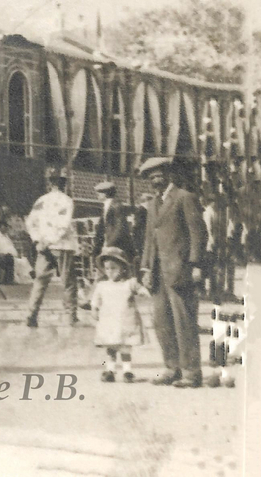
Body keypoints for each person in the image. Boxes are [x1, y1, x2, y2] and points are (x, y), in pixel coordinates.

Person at [139, 156, 206, 388]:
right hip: (158, 274)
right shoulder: (153, 204)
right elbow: (150, 238)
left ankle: (191, 372)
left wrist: (196, 265)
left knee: (184, 322)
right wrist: (146, 267)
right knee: (161, 322)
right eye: (151, 177)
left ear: (169, 174)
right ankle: (172, 367)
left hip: (180, 271)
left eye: (159, 175)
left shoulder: (185, 198)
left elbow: (198, 233)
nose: (155, 180)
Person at [25, 167, 80, 327]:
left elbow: (30, 223)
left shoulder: (41, 201)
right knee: (68, 282)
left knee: (40, 281)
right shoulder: (66, 201)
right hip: (62, 245)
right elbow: (63, 225)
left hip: (43, 246)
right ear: (63, 184)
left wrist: (38, 241)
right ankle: (70, 316)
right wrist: (50, 240)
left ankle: (31, 314)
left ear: (50, 183)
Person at [89, 246, 149, 383]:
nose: (110, 272)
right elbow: (95, 299)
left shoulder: (129, 283)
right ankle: (110, 369)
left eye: (114, 268)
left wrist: (145, 292)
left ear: (122, 268)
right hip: (109, 322)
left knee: (125, 347)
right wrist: (94, 309)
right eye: (107, 268)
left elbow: (141, 289)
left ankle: (127, 371)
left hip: (125, 322)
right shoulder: (102, 285)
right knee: (110, 347)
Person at [94, 181, 141, 266]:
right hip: (109, 245)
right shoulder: (107, 206)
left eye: (99, 193)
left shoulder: (116, 206)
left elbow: (119, 228)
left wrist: (110, 245)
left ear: (105, 193)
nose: (97, 195)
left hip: (116, 245)